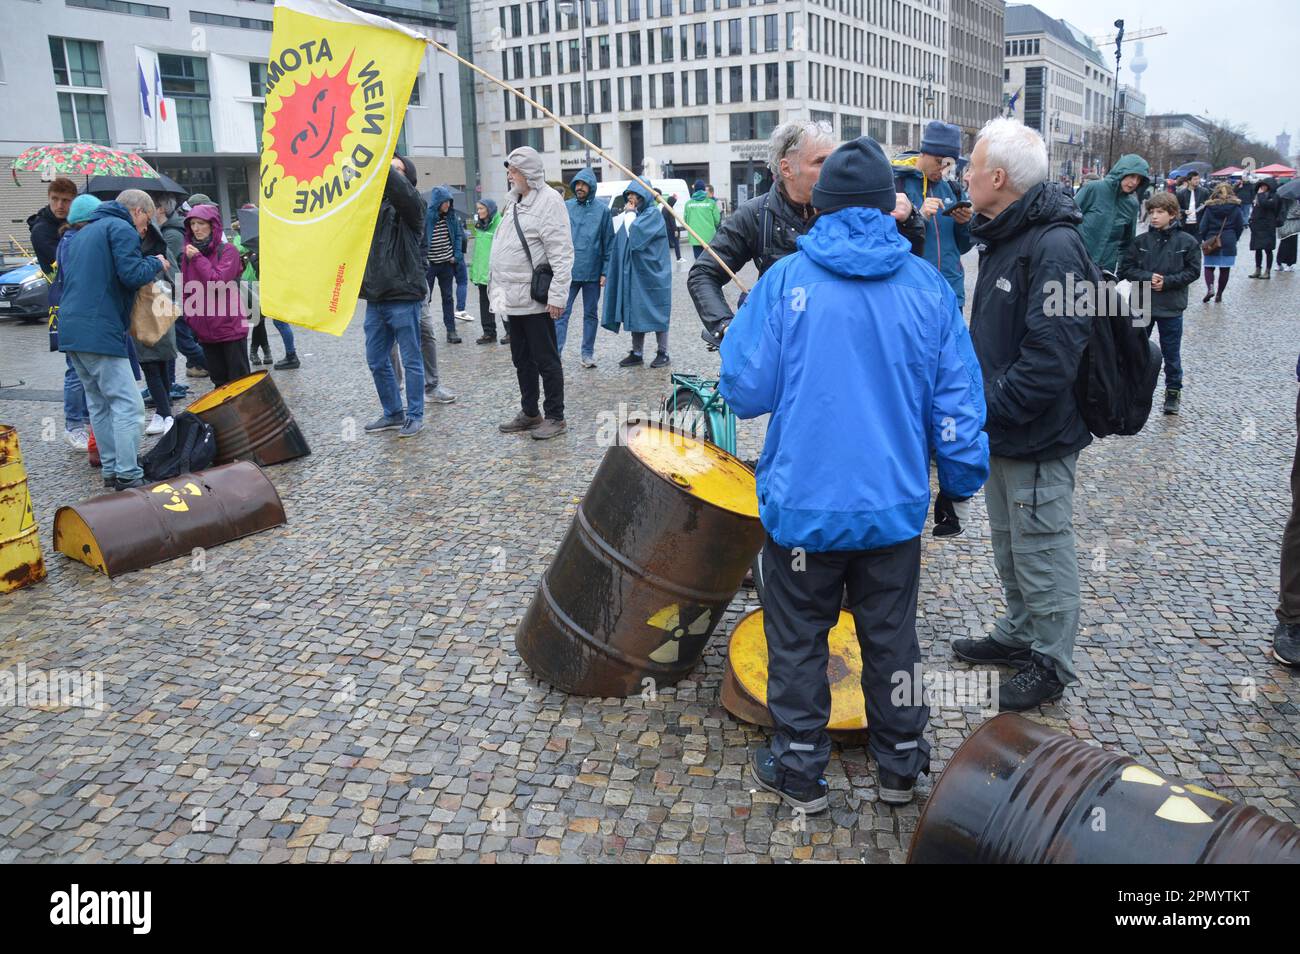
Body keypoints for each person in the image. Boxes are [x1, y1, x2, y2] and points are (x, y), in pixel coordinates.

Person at [720, 136, 989, 811]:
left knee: (799, 637)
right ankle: (900, 765)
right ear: (887, 209)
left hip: (804, 509)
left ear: (821, 208)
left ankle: (800, 767)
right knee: (892, 635)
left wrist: (748, 327)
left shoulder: (786, 282)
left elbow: (745, 390)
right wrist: (957, 484)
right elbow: (957, 403)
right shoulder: (927, 289)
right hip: (889, 510)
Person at [954, 117, 1095, 711]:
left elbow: (1053, 359)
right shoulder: (1004, 232)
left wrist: (990, 411)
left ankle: (1052, 660)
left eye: (972, 163)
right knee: (1011, 542)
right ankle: (1019, 630)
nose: (964, 172)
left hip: (1036, 433)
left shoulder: (1056, 244)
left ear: (998, 177)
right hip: (1005, 430)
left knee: (1042, 546)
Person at [689, 120, 924, 340]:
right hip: (780, 343)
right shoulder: (755, 214)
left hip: (844, 337)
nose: (834, 170)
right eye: (821, 162)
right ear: (787, 168)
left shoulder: (848, 206)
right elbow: (703, 274)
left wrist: (909, 220)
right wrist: (725, 326)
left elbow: (905, 266)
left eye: (834, 160)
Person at [57, 190, 167, 490]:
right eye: (145, 226)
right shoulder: (120, 227)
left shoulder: (81, 234)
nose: (142, 232)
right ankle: (128, 473)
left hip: (72, 331)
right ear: (139, 212)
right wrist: (156, 263)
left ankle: (110, 469)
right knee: (128, 405)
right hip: (99, 330)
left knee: (99, 405)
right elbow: (131, 274)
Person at [490, 145, 574, 440]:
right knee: (521, 360)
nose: (510, 176)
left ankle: (555, 416)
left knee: (546, 359)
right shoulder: (513, 202)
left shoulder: (549, 202)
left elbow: (562, 252)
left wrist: (557, 296)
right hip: (513, 300)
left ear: (527, 173)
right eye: (509, 171)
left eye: (513, 170)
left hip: (536, 300)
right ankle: (529, 412)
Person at [358, 156, 433, 438]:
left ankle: (414, 415)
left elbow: (401, 192)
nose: (392, 174)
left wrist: (380, 162)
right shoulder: (371, 208)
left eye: (397, 170)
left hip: (404, 295)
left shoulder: (413, 207)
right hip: (376, 298)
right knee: (376, 359)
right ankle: (393, 412)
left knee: (411, 359)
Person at [1118, 192, 1201, 416]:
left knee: (1171, 353)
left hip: (1171, 307)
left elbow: (1193, 271)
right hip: (1142, 304)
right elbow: (1125, 269)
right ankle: (1130, 390)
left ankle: (1173, 392)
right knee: (1134, 349)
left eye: (1160, 212)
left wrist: (1167, 282)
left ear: (1172, 214)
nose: (1154, 216)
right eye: (1151, 212)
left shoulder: (1187, 241)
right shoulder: (1141, 241)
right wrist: (1147, 277)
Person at [892, 120, 975, 308]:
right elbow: (887, 240)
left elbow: (963, 247)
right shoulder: (898, 185)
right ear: (924, 152)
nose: (943, 170)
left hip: (951, 293)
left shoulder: (953, 189)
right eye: (939, 162)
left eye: (949, 165)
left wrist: (965, 224)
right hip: (913, 293)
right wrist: (918, 218)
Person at [47, 193, 100, 451]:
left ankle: (88, 423)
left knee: (84, 373)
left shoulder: (72, 238)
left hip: (78, 314)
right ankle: (73, 426)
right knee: (75, 372)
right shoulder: (71, 241)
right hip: (74, 314)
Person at [603, 181, 673, 368]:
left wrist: (630, 213)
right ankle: (637, 352)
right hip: (636, 272)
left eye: (636, 196)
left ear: (644, 196)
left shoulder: (652, 215)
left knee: (658, 310)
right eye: (629, 196)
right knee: (636, 309)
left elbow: (634, 234)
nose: (631, 200)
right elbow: (622, 240)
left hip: (654, 273)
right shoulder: (637, 214)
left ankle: (663, 352)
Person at [180, 204, 250, 388]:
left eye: (201, 223)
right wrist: (191, 318)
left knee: (240, 383)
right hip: (205, 331)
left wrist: (197, 259)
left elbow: (217, 282)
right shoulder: (188, 254)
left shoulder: (228, 251)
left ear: (212, 225)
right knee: (219, 384)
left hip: (230, 329)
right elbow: (187, 288)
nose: (196, 228)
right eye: (193, 224)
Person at [558, 168, 614, 367]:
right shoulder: (565, 207)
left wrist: (605, 271)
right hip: (568, 271)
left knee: (590, 314)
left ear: (591, 186)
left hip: (592, 272)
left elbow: (609, 243)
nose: (580, 188)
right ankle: (556, 351)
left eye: (584, 184)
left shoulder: (603, 211)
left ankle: (587, 353)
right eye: (577, 184)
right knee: (561, 312)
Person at [136, 203, 181, 437]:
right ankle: (164, 413)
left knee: (157, 361)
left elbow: (173, 274)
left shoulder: (156, 241)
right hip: (146, 308)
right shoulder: (139, 238)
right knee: (153, 362)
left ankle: (165, 413)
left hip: (154, 307)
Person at [1075, 153, 1150, 272]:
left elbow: (1127, 243)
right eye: (1131, 176)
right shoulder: (1093, 189)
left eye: (1139, 178)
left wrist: (1121, 270)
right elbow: (1067, 219)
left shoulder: (1132, 204)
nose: (1134, 182)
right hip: (1077, 262)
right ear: (1121, 172)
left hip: (1105, 269)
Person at [424, 186, 465, 342]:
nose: (447, 204)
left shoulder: (452, 217)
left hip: (447, 263)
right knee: (425, 298)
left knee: (448, 297)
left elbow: (458, 236)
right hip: (430, 265)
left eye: (449, 201)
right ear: (437, 202)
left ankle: (451, 331)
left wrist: (457, 255)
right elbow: (420, 237)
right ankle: (424, 333)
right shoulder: (427, 216)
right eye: (445, 201)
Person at [1197, 183, 1247, 303]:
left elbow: (1203, 226)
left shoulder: (1209, 207)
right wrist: (1235, 238)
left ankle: (1210, 288)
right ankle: (1219, 294)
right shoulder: (1235, 207)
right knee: (1225, 269)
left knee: (1209, 267)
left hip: (1211, 239)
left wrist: (1206, 239)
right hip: (1229, 239)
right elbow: (1239, 226)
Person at [469, 199, 503, 343]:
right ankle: (489, 333)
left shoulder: (500, 224)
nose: (479, 211)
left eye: (481, 208)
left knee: (502, 302)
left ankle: (511, 332)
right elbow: (478, 251)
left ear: (489, 209)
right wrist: (473, 271)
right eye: (478, 208)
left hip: (496, 272)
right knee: (485, 303)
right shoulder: (480, 226)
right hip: (482, 273)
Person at [1248, 179, 1283, 279]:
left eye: (1264, 186)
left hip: (1268, 225)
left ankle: (1267, 271)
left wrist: (1260, 195)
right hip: (1257, 225)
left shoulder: (1274, 196)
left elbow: (1266, 204)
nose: (1262, 188)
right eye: (1261, 186)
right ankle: (1258, 269)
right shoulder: (1257, 195)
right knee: (1257, 248)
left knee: (1268, 249)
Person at [683, 178, 721, 261]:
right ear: (704, 189)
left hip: (695, 237)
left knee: (698, 260)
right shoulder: (711, 203)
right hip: (709, 238)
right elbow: (717, 220)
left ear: (695, 190)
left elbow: (685, 221)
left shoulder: (688, 204)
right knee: (710, 260)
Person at [1176, 171, 1210, 237]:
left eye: (1198, 179)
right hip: (1185, 224)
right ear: (1189, 181)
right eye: (1195, 179)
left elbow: (1208, 206)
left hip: (1199, 223)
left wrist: (1203, 206)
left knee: (1197, 244)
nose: (1197, 181)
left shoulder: (1204, 192)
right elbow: (1177, 208)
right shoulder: (1181, 193)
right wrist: (1184, 211)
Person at [1278, 194, 1299, 271]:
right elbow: (1296, 212)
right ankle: (1289, 264)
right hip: (1292, 225)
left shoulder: (1282, 199)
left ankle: (1279, 262)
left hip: (1283, 225)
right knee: (1292, 245)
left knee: (1283, 243)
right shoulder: (1295, 201)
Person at [660, 192, 682, 262]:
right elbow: (672, 221)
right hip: (671, 229)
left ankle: (664, 259)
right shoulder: (670, 209)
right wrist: (675, 230)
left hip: (665, 228)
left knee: (665, 245)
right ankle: (679, 258)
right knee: (676, 243)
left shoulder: (664, 208)